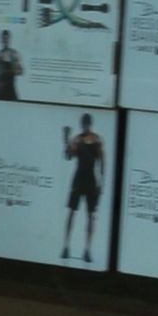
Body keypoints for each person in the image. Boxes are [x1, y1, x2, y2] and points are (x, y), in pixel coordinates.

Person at [61, 113, 104, 263]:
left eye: (86, 123)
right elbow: (69, 156)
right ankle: (66, 246)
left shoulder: (96, 140)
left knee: (90, 215)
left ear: (89, 124)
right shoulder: (78, 140)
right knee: (72, 212)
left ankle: (87, 250)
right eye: (84, 123)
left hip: (90, 179)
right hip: (79, 178)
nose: (85, 125)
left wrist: (101, 183)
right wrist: (66, 139)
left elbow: (102, 161)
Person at [0, 29, 22, 99]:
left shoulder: (14, 54)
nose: (5, 41)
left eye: (7, 39)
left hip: (11, 88)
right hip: (1, 90)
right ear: (1, 40)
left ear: (9, 39)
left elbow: (21, 71)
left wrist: (15, 66)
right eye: (4, 39)